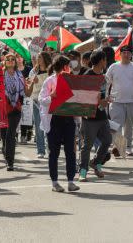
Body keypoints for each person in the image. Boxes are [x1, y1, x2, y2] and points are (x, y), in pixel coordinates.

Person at [38, 55, 80, 193]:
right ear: (62, 67)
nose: (70, 69)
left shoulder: (72, 81)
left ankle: (71, 181)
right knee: (54, 153)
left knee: (70, 152)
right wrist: (52, 96)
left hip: (69, 120)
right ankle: (55, 182)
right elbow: (41, 100)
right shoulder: (49, 81)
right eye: (67, 66)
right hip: (54, 120)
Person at [105, 45, 133, 156]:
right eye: (124, 52)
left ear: (131, 55)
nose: (126, 54)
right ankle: (120, 148)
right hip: (116, 102)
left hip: (132, 102)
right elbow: (106, 83)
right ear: (120, 54)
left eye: (128, 53)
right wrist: (105, 97)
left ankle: (128, 147)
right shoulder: (113, 67)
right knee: (116, 126)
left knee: (129, 126)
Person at [79, 50, 113, 181]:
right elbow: (83, 96)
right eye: (104, 60)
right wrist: (99, 101)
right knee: (87, 145)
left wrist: (107, 99)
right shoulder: (88, 76)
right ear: (100, 61)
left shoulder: (103, 77)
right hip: (89, 117)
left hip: (102, 115)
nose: (106, 62)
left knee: (107, 141)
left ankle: (96, 163)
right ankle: (83, 172)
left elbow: (102, 95)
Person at [2, 53, 33, 171]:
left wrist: (33, 84)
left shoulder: (20, 76)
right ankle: (6, 153)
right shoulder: (0, 74)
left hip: (16, 109)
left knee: (10, 134)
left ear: (15, 62)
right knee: (4, 136)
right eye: (8, 59)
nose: (10, 61)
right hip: (3, 109)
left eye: (12, 59)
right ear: (5, 62)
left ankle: (10, 162)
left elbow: (28, 93)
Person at [28, 51, 52, 158]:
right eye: (38, 57)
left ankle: (50, 148)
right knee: (38, 126)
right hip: (36, 102)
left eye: (40, 57)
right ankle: (41, 150)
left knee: (49, 126)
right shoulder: (34, 71)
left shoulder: (51, 71)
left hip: (48, 102)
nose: (38, 59)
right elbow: (29, 83)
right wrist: (33, 81)